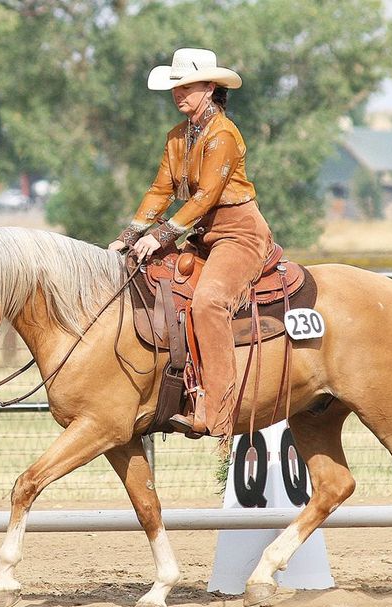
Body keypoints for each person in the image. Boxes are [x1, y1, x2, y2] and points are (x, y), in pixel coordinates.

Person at [109, 48, 274, 439]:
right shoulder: (176, 138)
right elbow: (159, 191)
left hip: (239, 234)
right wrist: (125, 238)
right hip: (202, 236)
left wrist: (160, 236)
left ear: (210, 87)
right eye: (175, 86)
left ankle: (218, 410)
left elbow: (205, 198)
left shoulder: (224, 135)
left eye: (188, 85)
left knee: (208, 302)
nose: (179, 93)